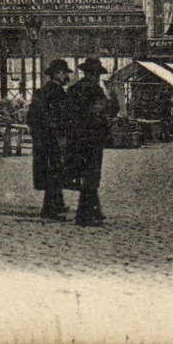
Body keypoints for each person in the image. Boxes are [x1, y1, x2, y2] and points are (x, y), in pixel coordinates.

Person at [63, 57, 113, 225]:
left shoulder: (73, 89)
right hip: (93, 138)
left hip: (76, 139)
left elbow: (67, 116)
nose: (97, 77)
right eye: (97, 74)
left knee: (84, 173)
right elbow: (102, 112)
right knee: (92, 175)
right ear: (94, 74)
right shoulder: (95, 90)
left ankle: (94, 209)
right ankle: (85, 215)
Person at [27, 59, 74, 220]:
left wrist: (37, 135)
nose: (66, 76)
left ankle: (58, 203)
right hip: (55, 139)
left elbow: (31, 117)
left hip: (42, 139)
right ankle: (49, 210)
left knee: (49, 171)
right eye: (64, 73)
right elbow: (64, 117)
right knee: (55, 171)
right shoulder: (59, 93)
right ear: (58, 74)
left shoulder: (40, 92)